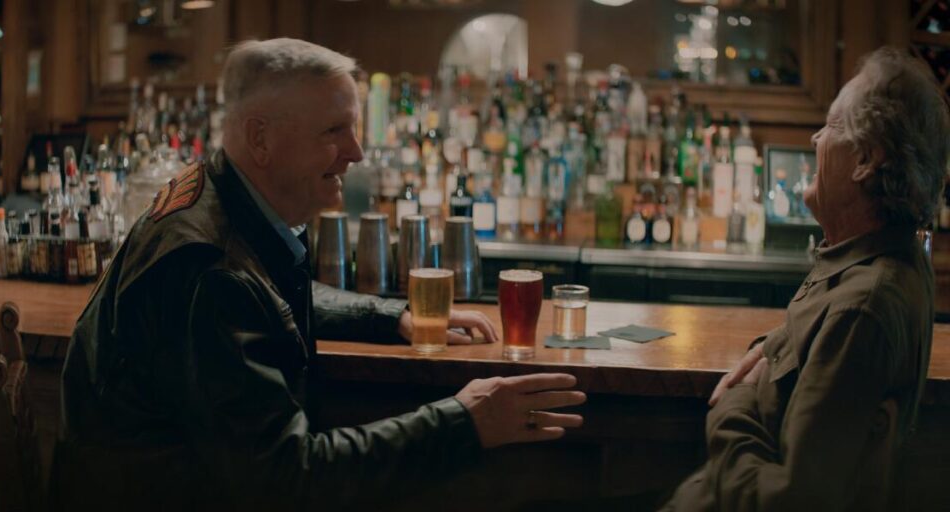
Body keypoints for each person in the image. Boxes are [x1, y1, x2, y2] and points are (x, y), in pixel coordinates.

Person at [55, 38, 586, 511]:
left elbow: (265, 293)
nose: (355, 152)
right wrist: (463, 422)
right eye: (335, 131)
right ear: (259, 139)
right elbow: (287, 481)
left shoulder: (216, 199)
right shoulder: (211, 274)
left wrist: (392, 316)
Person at [663, 47, 949, 511]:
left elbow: (790, 501)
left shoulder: (861, 311)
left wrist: (733, 406)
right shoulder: (875, 264)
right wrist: (772, 346)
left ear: (865, 161)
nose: (816, 138)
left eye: (832, 126)